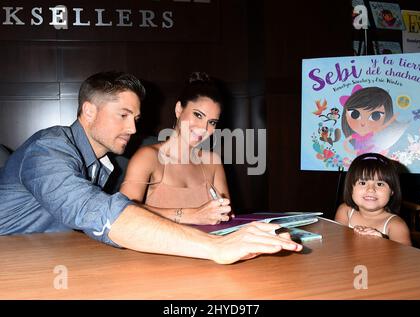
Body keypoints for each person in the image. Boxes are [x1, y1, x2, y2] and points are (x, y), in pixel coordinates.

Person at [0, 71, 302, 264]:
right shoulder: (48, 149)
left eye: (136, 118)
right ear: (89, 111)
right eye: (123, 115)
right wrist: (215, 247)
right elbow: (101, 214)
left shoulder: (100, 163)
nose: (132, 127)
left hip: (43, 256)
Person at [120, 72, 232, 225]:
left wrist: (225, 215)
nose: (203, 128)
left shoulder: (213, 161)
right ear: (179, 110)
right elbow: (122, 211)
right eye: (198, 115)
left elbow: (225, 216)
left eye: (212, 122)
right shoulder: (148, 157)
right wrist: (190, 216)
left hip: (206, 247)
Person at [335, 153, 411, 245]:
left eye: (379, 184)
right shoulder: (345, 211)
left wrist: (383, 241)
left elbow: (405, 256)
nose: (370, 189)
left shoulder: (396, 225)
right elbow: (337, 242)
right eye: (362, 183)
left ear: (392, 191)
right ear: (351, 188)